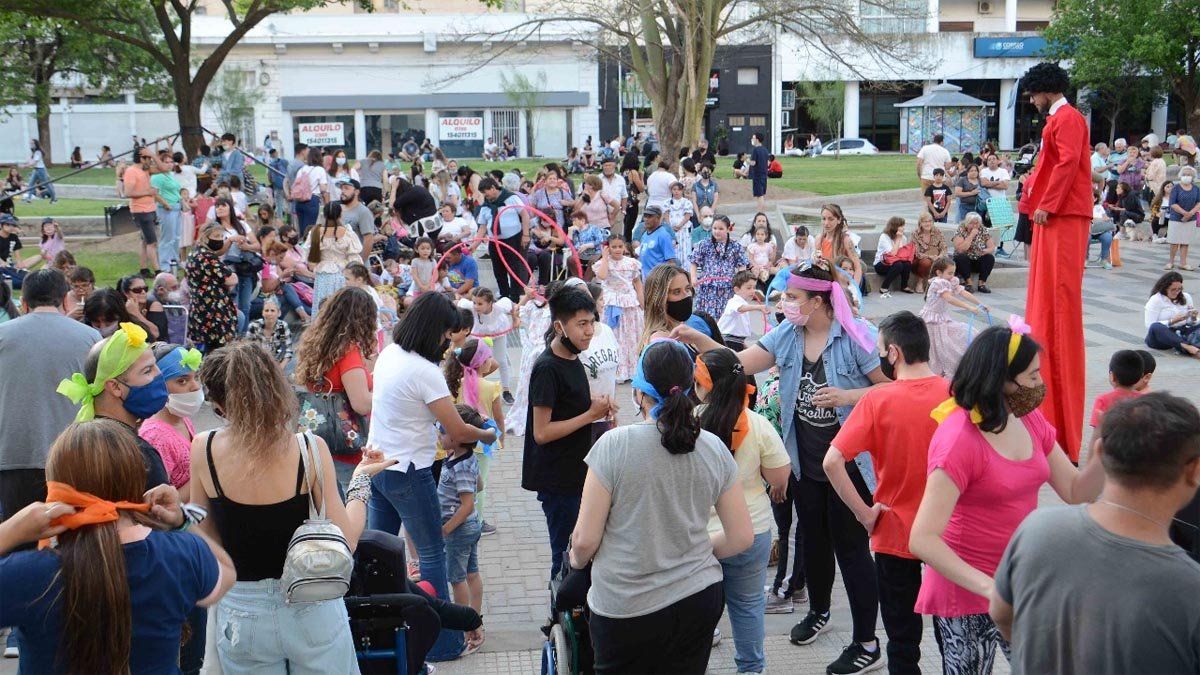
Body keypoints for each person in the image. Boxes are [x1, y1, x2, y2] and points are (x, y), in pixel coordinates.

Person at [672, 260, 889, 675]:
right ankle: (820, 612)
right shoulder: (789, 334)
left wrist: (847, 397)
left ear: (820, 301)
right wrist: (699, 338)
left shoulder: (856, 338)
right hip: (805, 466)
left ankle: (867, 641)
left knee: (852, 552)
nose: (785, 303)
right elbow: (739, 363)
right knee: (815, 543)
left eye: (793, 297)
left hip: (848, 469)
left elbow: (890, 390)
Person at [909, 323, 1105, 675]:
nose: (1039, 385)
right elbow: (922, 539)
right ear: (1001, 379)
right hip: (966, 590)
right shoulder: (958, 439)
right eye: (1031, 377)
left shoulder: (1028, 419)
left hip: (1020, 581)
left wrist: (1106, 450)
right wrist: (990, 588)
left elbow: (1077, 491)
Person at [189, 341, 392, 672]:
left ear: (219, 403)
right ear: (275, 389)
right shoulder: (308, 449)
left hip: (242, 610)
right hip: (312, 603)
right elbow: (348, 540)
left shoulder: (204, 448)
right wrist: (360, 481)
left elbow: (204, 534)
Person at [569, 339, 752, 674]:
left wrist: (575, 564)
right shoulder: (713, 447)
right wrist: (688, 550)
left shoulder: (615, 445)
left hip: (626, 607)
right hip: (698, 598)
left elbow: (584, 541)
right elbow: (741, 537)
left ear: (639, 392)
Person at [0, 420, 235, 675]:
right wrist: (182, 521)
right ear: (137, 481)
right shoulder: (182, 554)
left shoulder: (30, 576)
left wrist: (11, 531)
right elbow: (226, 571)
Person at [990, 392, 1200, 674]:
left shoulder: (1036, 530)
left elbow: (1002, 616)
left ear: (1099, 451)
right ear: (1195, 470)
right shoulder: (1189, 588)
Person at [817, 311, 949, 675]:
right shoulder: (954, 395)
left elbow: (832, 462)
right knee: (951, 634)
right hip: (948, 531)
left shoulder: (878, 401)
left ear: (893, 353)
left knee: (902, 641)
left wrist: (864, 514)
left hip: (894, 530)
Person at [368, 292, 497, 660]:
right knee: (432, 555)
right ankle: (443, 644)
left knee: (382, 555)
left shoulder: (391, 353)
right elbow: (457, 429)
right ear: (433, 331)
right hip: (409, 472)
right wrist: (487, 435)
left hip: (378, 467)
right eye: (446, 335)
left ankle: (385, 631)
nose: (448, 343)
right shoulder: (425, 372)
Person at [696, 347, 791, 674]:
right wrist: (772, 484)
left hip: (698, 535)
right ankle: (751, 669)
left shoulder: (690, 423)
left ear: (708, 386)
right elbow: (780, 477)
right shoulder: (758, 424)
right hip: (751, 530)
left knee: (697, 609)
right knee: (748, 607)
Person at [1019, 62, 1094, 465]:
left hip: (1063, 216)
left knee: (1059, 305)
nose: (1032, 100)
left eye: (1033, 93)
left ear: (1046, 89)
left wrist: (1046, 204)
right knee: (1045, 305)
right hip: (1055, 216)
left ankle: (1060, 427)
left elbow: (1066, 165)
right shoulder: (1060, 118)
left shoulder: (1068, 118)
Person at [522, 285, 615, 578]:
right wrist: (590, 414)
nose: (589, 331)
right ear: (559, 326)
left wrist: (597, 407)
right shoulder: (547, 368)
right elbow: (542, 432)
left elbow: (569, 406)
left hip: (577, 471)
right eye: (581, 324)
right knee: (564, 554)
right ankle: (559, 614)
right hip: (557, 479)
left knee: (580, 550)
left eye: (592, 322)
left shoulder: (574, 359)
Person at [0, 269, 100, 538]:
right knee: (75, 543)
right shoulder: (91, 338)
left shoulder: (3, 334)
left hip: (13, 455)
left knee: (17, 543)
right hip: (74, 454)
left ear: (23, 302)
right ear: (65, 299)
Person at [293, 286, 378, 484]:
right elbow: (361, 404)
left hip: (314, 434)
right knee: (350, 501)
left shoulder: (317, 344)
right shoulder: (347, 351)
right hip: (343, 440)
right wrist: (387, 394)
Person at [437, 404, 488, 648]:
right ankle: (475, 619)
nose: (439, 434)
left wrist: (446, 528)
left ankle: (465, 627)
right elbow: (479, 486)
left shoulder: (460, 466)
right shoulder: (463, 458)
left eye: (443, 431)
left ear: (458, 438)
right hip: (469, 527)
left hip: (459, 530)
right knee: (472, 573)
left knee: (457, 579)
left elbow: (467, 504)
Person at [139, 343, 204, 498]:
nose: (195, 386)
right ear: (158, 387)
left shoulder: (181, 418)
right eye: (182, 381)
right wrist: (204, 475)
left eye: (195, 377)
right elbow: (160, 503)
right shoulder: (155, 437)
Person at [920, 256, 988, 378]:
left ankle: (956, 365)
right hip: (932, 320)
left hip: (942, 318)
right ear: (939, 273)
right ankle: (940, 371)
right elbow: (949, 298)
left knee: (966, 332)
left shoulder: (950, 280)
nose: (952, 275)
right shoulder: (938, 282)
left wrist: (980, 304)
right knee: (937, 347)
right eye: (950, 273)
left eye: (954, 272)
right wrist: (969, 307)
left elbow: (964, 292)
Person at [506, 283, 553, 437]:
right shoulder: (533, 306)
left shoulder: (557, 311)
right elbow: (516, 311)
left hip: (546, 351)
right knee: (527, 385)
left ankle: (542, 419)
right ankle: (528, 418)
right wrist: (526, 297)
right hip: (532, 351)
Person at [476, 177, 531, 302]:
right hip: (495, 242)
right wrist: (474, 245)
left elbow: (525, 215)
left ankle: (517, 296)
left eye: (486, 192)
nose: (485, 196)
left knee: (515, 269)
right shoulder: (486, 206)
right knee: (498, 270)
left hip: (514, 239)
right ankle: (504, 295)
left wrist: (526, 235)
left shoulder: (511, 198)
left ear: (493, 188)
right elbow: (482, 227)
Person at [186, 224, 238, 353]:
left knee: (209, 349)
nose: (219, 239)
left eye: (221, 236)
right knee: (218, 351)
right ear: (205, 237)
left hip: (199, 308)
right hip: (213, 311)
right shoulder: (207, 257)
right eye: (215, 236)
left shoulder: (193, 254)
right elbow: (231, 279)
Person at [690, 214, 750, 319]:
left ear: (728, 229)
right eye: (715, 228)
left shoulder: (735, 246)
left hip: (727, 287)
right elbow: (694, 262)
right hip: (708, 287)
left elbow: (742, 266)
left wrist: (740, 282)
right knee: (707, 317)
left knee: (725, 318)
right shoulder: (704, 244)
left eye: (721, 228)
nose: (717, 231)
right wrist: (693, 277)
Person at [307, 202, 363, 314]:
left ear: (325, 215)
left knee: (322, 308)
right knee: (341, 308)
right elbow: (354, 258)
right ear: (340, 215)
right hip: (343, 273)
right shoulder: (348, 232)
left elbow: (311, 260)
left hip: (323, 275)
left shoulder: (316, 232)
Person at [124, 146, 163, 278]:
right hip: (141, 210)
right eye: (148, 158)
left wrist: (152, 154)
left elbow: (164, 168)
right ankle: (158, 271)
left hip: (150, 208)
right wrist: (148, 192)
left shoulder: (145, 170)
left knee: (145, 241)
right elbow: (128, 192)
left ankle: (144, 269)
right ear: (141, 158)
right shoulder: (131, 171)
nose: (150, 161)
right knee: (152, 242)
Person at [1143, 271, 1200, 357]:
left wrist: (1193, 318)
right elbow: (1150, 325)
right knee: (1156, 326)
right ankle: (1187, 347)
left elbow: (1190, 322)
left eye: (1179, 289)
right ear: (1164, 288)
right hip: (1162, 336)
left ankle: (1185, 345)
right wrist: (1172, 321)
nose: (1177, 292)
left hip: (1182, 332)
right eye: (1173, 289)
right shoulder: (1156, 300)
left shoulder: (1186, 297)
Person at [718, 271, 769, 353]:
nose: (753, 291)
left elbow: (739, 332)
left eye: (754, 287)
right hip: (728, 340)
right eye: (749, 288)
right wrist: (759, 307)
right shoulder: (734, 301)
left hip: (736, 341)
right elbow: (740, 308)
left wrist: (746, 347)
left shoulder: (744, 304)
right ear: (737, 290)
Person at [151, 150, 184, 272]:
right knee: (167, 237)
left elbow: (176, 191)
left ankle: (174, 260)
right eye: (166, 162)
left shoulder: (171, 174)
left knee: (176, 237)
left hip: (176, 207)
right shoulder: (157, 177)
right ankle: (165, 265)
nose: (170, 164)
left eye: (171, 162)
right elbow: (154, 193)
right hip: (167, 209)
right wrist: (165, 203)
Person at [951, 213, 996, 293]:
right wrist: (971, 235)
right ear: (967, 223)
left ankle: (981, 284)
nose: (974, 226)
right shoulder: (961, 230)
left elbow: (992, 247)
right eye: (971, 223)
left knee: (989, 258)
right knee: (961, 257)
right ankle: (969, 283)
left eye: (976, 223)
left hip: (977, 258)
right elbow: (961, 249)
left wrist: (985, 251)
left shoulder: (983, 230)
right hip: (964, 261)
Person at [292, 148, 330, 238]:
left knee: (302, 229)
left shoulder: (302, 169)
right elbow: (323, 188)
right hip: (312, 200)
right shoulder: (320, 170)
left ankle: (301, 248)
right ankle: (308, 248)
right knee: (310, 230)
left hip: (299, 201)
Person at [1166, 165, 1199, 271]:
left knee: (1185, 241)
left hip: (1191, 218)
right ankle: (1171, 262)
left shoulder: (1196, 188)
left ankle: (1183, 263)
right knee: (1174, 241)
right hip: (1176, 217)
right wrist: (1184, 213)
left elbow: (1198, 202)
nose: (1187, 176)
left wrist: (1191, 213)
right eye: (1185, 174)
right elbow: (1173, 203)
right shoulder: (1176, 188)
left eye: (1189, 175)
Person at [338, 179, 381, 260]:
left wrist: (360, 262)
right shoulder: (338, 209)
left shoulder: (363, 212)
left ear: (357, 192)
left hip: (355, 265)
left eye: (346, 188)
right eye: (341, 188)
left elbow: (368, 240)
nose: (342, 191)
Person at [873, 216, 914, 298]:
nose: (903, 228)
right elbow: (892, 254)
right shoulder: (884, 237)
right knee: (898, 264)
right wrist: (898, 239)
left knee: (907, 263)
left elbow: (902, 254)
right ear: (895, 226)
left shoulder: (903, 238)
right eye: (901, 226)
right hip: (881, 264)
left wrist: (900, 238)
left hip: (895, 263)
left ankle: (904, 286)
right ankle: (884, 287)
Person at [247, 297, 293, 365]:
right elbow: (248, 350)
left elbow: (287, 350)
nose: (269, 313)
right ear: (262, 312)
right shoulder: (254, 326)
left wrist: (280, 368)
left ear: (279, 313)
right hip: (257, 364)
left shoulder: (282, 327)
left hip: (277, 363)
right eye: (266, 310)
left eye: (272, 310)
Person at [910, 211, 945, 294]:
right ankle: (920, 282)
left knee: (946, 261)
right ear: (920, 223)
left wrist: (940, 256)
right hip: (919, 259)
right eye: (925, 222)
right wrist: (930, 257)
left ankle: (941, 285)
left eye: (930, 221)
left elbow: (944, 247)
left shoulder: (937, 232)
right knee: (926, 262)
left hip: (936, 256)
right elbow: (916, 252)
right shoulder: (915, 233)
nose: (928, 224)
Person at [637, 205, 675, 279]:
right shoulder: (645, 234)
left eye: (650, 216)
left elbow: (671, 262)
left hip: (658, 280)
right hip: (646, 279)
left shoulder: (663, 235)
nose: (646, 219)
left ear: (658, 218)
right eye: (645, 216)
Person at [749, 133, 770, 211]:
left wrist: (747, 160)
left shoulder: (755, 150)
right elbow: (768, 163)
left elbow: (753, 163)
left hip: (757, 176)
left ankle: (759, 213)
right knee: (761, 195)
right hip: (764, 175)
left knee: (759, 195)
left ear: (757, 140)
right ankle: (761, 213)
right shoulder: (765, 150)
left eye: (753, 138)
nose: (752, 139)